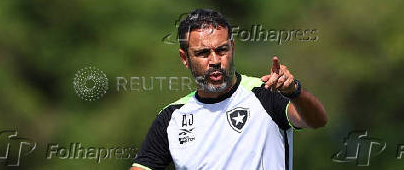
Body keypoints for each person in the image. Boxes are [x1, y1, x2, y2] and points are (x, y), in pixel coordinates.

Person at [130, 9, 327, 170]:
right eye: (203, 53)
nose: (215, 61)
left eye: (222, 50)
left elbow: (317, 121)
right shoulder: (171, 117)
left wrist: (294, 92)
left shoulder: (266, 93)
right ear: (184, 58)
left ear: (232, 47)